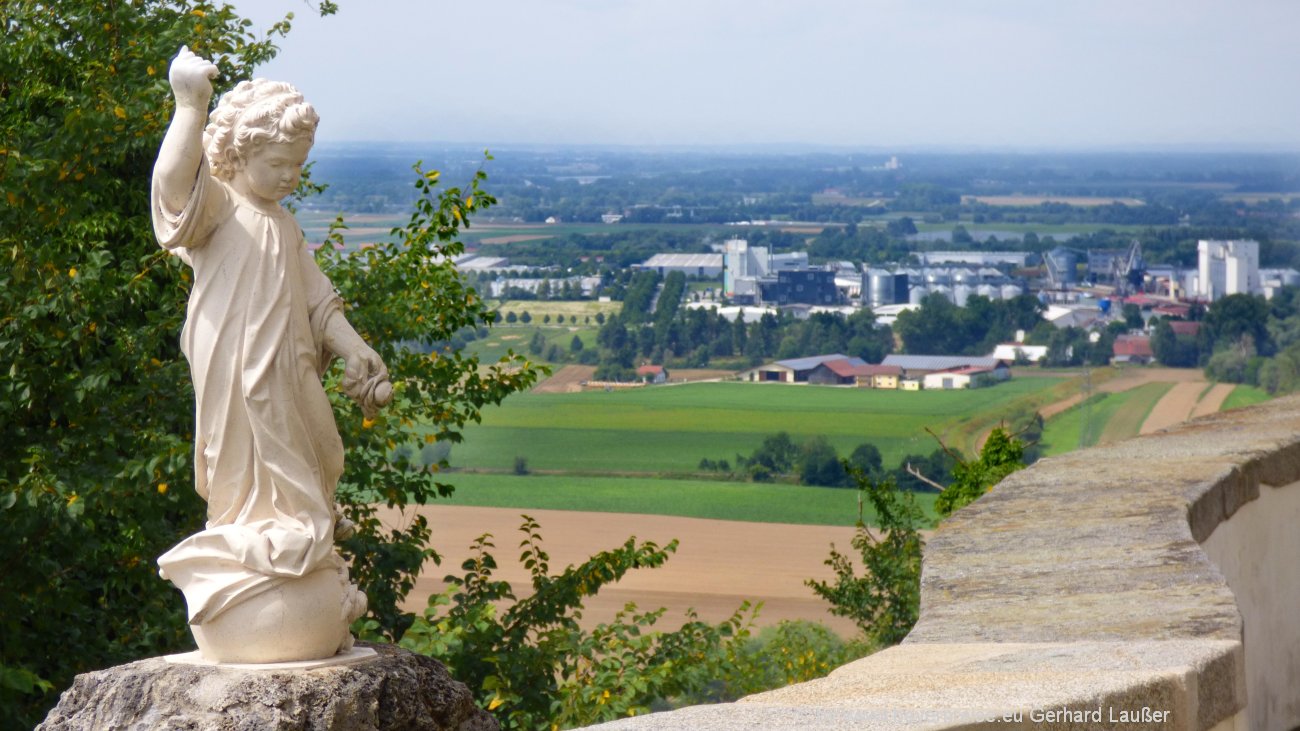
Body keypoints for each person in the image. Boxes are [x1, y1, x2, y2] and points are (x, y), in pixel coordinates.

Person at [151, 47, 386, 637]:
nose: (291, 177)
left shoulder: (284, 222)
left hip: (289, 362)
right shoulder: (221, 206)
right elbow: (172, 184)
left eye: (298, 166)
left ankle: (306, 551)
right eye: (279, 163)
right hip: (232, 359)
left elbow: (317, 299)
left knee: (325, 452)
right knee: (238, 469)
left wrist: (355, 348)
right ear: (240, 153)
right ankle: (254, 556)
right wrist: (189, 107)